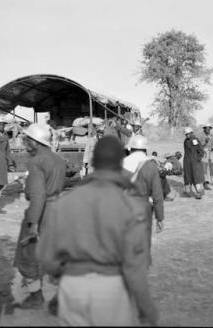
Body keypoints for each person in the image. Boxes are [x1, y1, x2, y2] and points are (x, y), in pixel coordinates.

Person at [36, 136, 159, 326]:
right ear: (120, 163)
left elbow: (45, 256)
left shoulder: (64, 203)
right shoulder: (132, 207)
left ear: (93, 162)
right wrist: (146, 307)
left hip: (72, 288)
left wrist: (64, 276)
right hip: (111, 288)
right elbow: (135, 267)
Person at [13, 124, 67, 309]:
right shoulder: (59, 159)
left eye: (27, 140)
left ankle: (36, 297)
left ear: (36, 142)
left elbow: (38, 195)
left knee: (28, 255)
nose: (25, 143)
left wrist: (33, 224)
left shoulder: (36, 161)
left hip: (41, 213)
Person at [123, 135, 165, 263]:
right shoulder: (151, 166)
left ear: (130, 149)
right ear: (145, 149)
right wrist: (160, 218)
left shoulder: (121, 163)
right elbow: (157, 194)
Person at [182, 127, 205, 199]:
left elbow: (201, 151)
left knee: (196, 177)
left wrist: (197, 159)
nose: (187, 135)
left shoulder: (195, 140)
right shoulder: (185, 141)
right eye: (186, 134)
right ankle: (188, 191)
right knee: (187, 177)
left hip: (195, 162)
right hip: (187, 162)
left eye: (188, 134)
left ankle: (200, 192)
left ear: (192, 133)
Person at [201, 124, 213, 190]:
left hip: (210, 153)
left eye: (209, 129)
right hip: (204, 153)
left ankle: (209, 181)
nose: (208, 130)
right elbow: (199, 145)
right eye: (206, 129)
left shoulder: (212, 136)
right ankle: (205, 183)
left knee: (210, 167)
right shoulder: (201, 136)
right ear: (204, 129)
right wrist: (205, 142)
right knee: (204, 167)